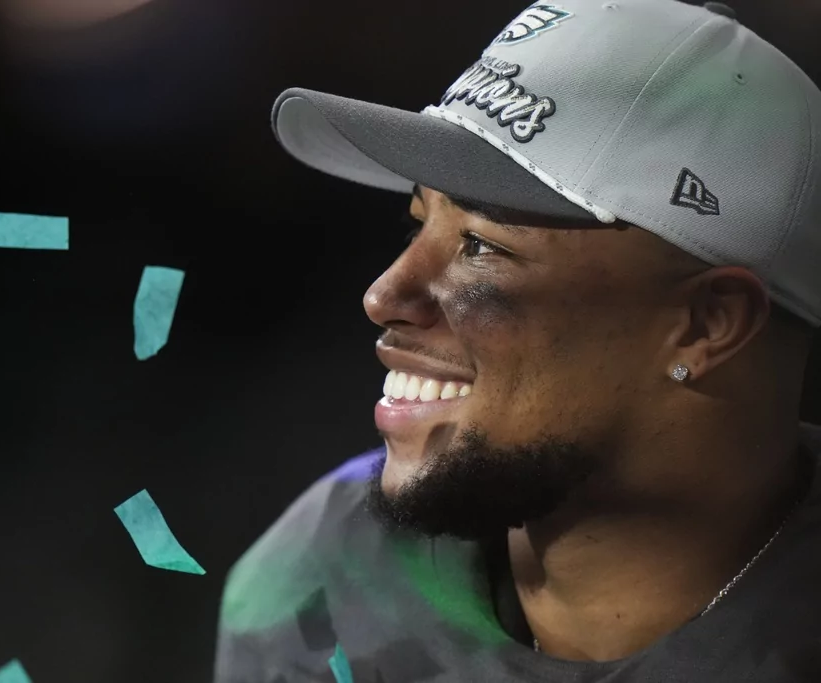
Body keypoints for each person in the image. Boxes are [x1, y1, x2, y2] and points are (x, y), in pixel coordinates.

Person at [213, 0, 821, 680]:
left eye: (479, 246)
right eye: (419, 225)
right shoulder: (323, 578)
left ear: (709, 322)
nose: (384, 297)